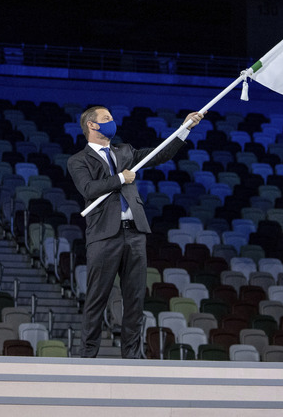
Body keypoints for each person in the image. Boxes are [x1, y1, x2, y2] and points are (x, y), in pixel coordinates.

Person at [68, 105, 203, 358]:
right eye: (106, 118)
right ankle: (87, 358)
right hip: (103, 236)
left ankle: (131, 358)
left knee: (135, 299)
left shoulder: (125, 151)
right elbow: (88, 189)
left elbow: (159, 154)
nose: (112, 122)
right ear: (92, 125)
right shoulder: (78, 160)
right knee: (97, 298)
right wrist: (120, 179)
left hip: (135, 233)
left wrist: (184, 129)